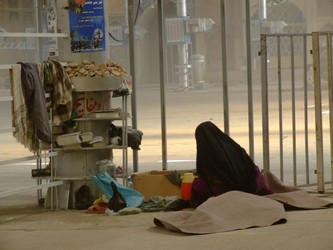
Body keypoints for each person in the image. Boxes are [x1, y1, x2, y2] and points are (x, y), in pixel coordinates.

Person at [190, 121, 298, 208]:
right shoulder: (234, 148)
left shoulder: (208, 157)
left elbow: (208, 180)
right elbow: (251, 168)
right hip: (252, 188)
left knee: (198, 186)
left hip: (228, 195)